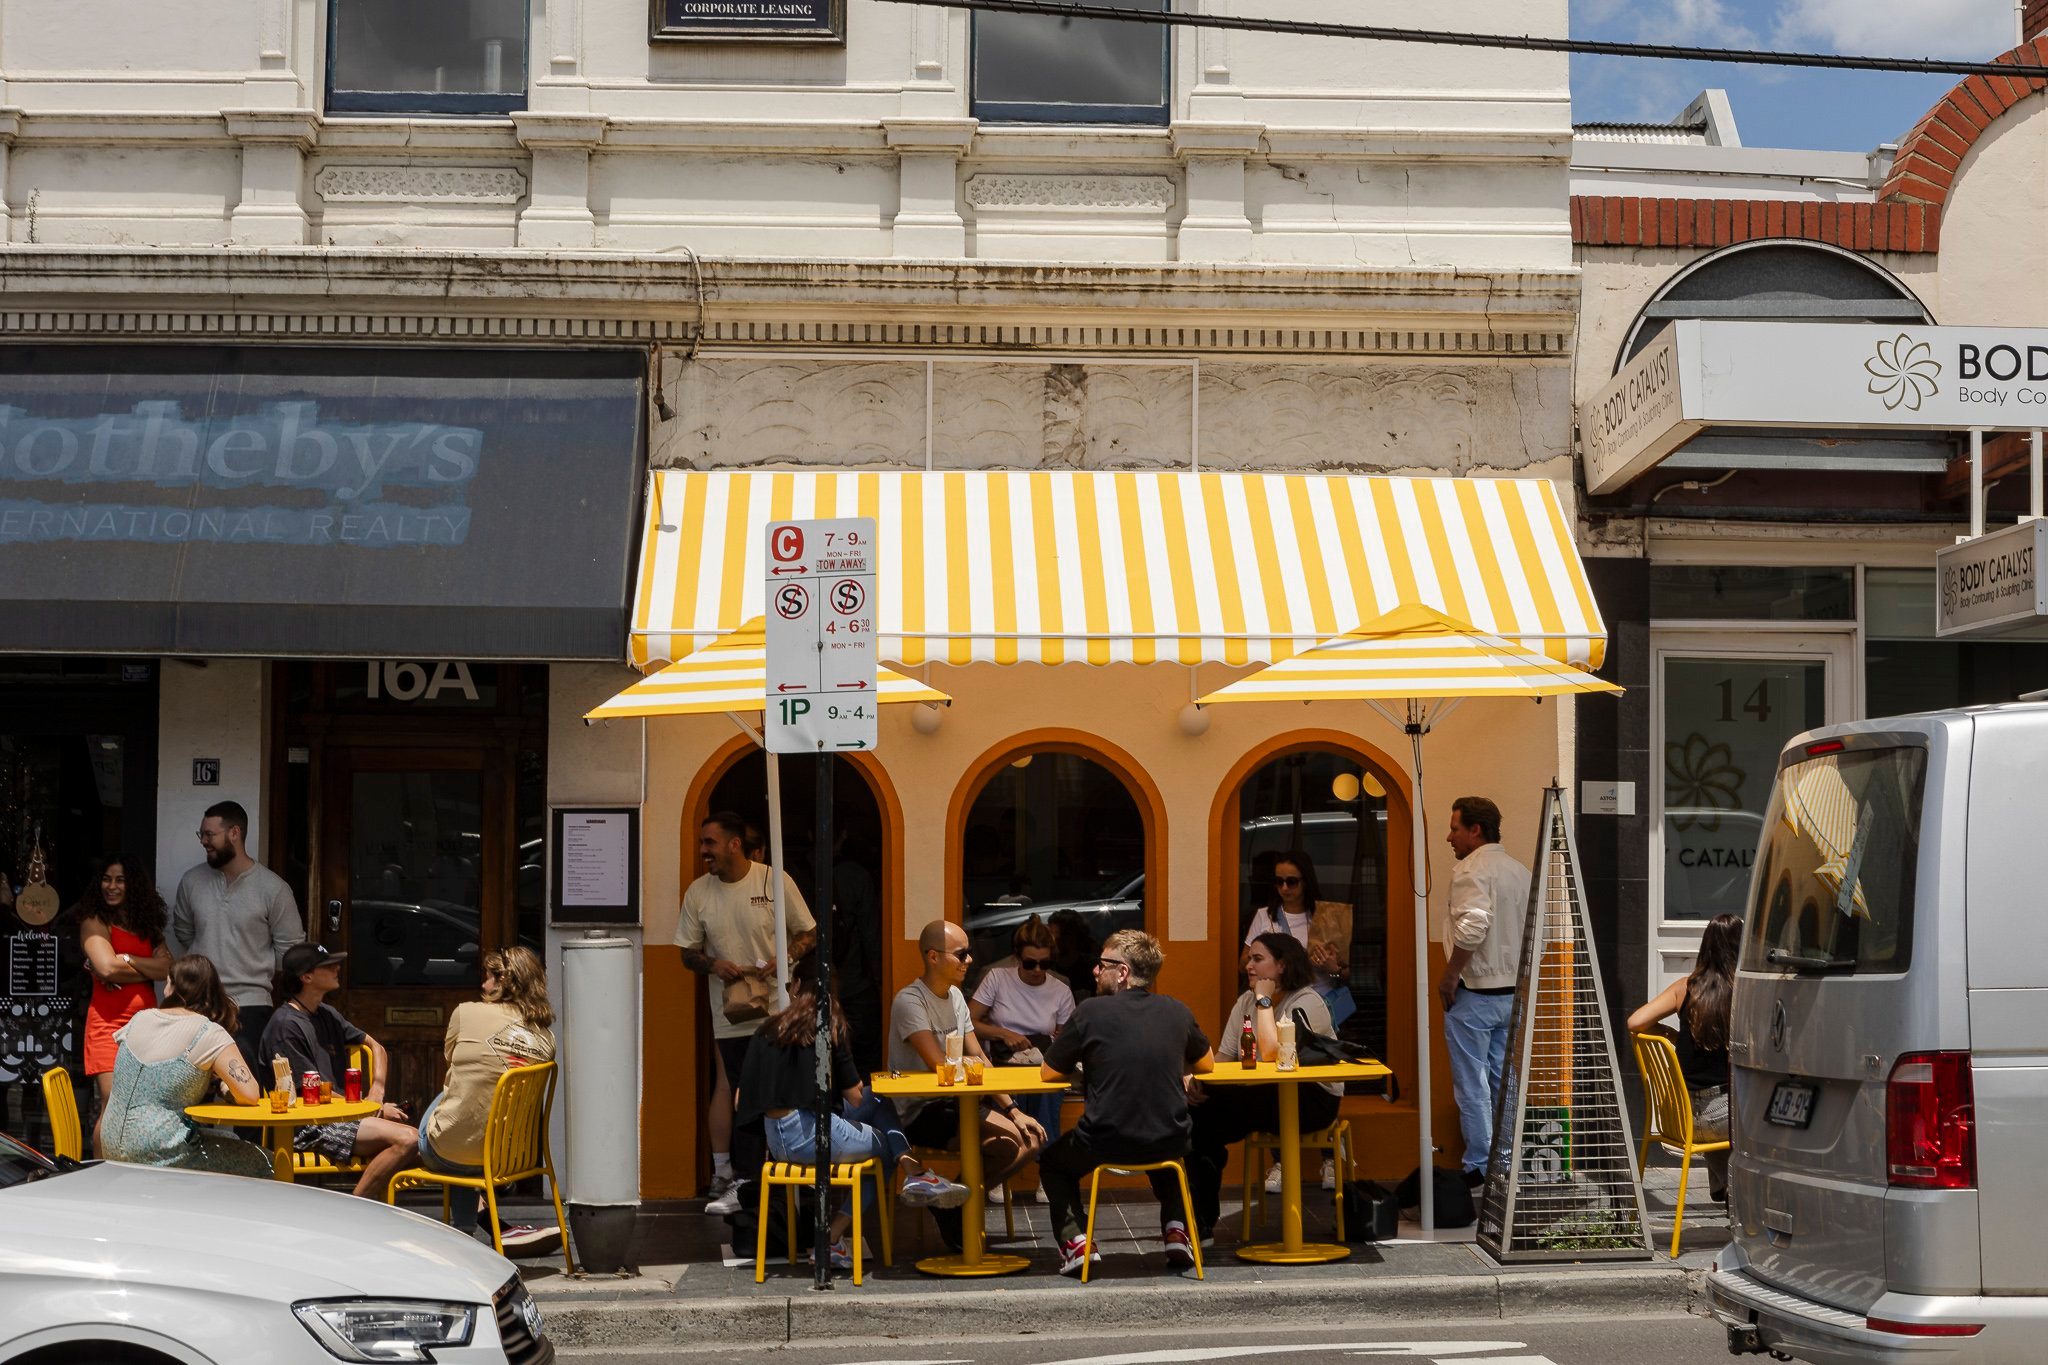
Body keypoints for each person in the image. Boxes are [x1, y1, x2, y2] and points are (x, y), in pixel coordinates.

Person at [738, 949, 967, 1272]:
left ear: (796, 985)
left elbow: (740, 1099)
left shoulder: (766, 1030)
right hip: (814, 1136)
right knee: (884, 1139)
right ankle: (835, 1235)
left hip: (777, 1140)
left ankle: (914, 1172)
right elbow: (855, 1097)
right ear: (833, 994)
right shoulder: (829, 1027)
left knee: (880, 1097)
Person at [1038, 929, 1214, 1278]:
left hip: (1105, 1139)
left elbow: (1047, 1072)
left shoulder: (1090, 1012)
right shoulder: (1176, 1011)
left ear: (1121, 972)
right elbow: (1206, 1063)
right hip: (1169, 1136)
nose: (1093, 971)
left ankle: (1076, 1244)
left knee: (1053, 1163)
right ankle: (1177, 1229)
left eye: (1101, 964)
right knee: (1165, 1151)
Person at [675, 810, 815, 1216]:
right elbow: (687, 953)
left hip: (780, 1012)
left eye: (710, 843)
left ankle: (786, 1176)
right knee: (742, 1095)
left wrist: (787, 956)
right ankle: (747, 1181)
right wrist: (714, 965)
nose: (704, 851)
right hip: (731, 1017)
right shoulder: (698, 893)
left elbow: (809, 931)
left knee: (784, 1092)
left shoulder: (774, 880)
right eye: (703, 843)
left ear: (734, 844)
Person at [888, 919, 1048, 1249]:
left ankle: (950, 1204)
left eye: (969, 953)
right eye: (961, 954)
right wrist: (970, 1070)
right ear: (933, 957)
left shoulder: (957, 997)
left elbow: (980, 1059)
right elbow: (939, 1064)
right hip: (921, 1110)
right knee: (1008, 1144)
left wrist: (1014, 1110)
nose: (969, 960)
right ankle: (954, 1209)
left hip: (960, 1101)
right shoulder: (910, 1001)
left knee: (1029, 1140)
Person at [1186, 932, 1342, 1242]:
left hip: (1312, 1099)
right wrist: (1200, 1080)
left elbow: (1274, 1057)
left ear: (1282, 965)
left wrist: (1264, 1000)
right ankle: (1200, 1222)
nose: (1249, 965)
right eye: (1249, 959)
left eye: (1258, 959)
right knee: (1197, 1119)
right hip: (1263, 1095)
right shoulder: (1245, 1001)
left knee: (1238, 1100)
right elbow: (1226, 1057)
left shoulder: (1307, 1002)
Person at [415, 946, 561, 1248]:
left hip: (449, 1151)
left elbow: (452, 1061)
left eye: (489, 977)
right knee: (468, 1107)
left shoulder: (465, 1012)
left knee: (451, 1101)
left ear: (504, 981)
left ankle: (467, 1234)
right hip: (508, 1160)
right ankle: (492, 1231)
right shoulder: (547, 1037)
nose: (483, 985)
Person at [258, 943, 418, 1201]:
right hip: (309, 1125)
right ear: (306, 977)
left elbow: (376, 1046)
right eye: (327, 966)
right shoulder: (286, 1026)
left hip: (343, 1115)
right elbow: (312, 1095)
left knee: (437, 1151)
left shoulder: (326, 1014)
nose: (337, 968)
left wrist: (376, 1093)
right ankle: (354, 1209)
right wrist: (369, 1109)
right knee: (407, 1140)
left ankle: (466, 1222)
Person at [98, 954, 270, 1178]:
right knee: (266, 1161)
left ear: (173, 988)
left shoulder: (140, 1018)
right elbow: (250, 1095)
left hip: (110, 1143)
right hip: (161, 1149)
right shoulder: (208, 1032)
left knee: (231, 1141)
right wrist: (224, 1088)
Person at [1437, 796, 1532, 1187]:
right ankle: (1504, 1161)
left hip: (1474, 992)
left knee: (1472, 1083)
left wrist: (1450, 974)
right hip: (1511, 993)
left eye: (1455, 828)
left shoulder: (1470, 870)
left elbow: (1473, 925)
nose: (1449, 837)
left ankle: (1479, 1163)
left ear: (1475, 830)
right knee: (1501, 1080)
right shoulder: (1519, 871)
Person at [169, 800, 304, 1072]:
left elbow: (290, 954)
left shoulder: (273, 889)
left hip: (250, 1008)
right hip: (199, 1006)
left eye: (210, 834)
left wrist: (250, 965)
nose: (204, 841)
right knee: (194, 1091)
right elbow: (184, 932)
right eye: (202, 834)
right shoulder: (192, 881)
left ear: (234, 833)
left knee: (246, 1091)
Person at [1627, 913, 1739, 1202]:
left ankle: (1725, 1187)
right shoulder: (1743, 992)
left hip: (1679, 1117)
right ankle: (1736, 1192)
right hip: (1721, 1120)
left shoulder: (1684, 988)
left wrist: (1669, 1033)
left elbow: (1635, 1021)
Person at [78, 856, 172, 1154]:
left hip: (145, 1029)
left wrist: (128, 960)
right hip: (108, 1025)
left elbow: (168, 968)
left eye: (120, 880)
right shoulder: (95, 922)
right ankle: (100, 1172)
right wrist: (145, 967)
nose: (112, 886)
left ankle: (128, 1168)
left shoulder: (147, 926)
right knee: (113, 1103)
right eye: (107, 879)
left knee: (139, 1105)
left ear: (133, 885)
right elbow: (106, 968)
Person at [970, 915, 1074, 1169]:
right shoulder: (997, 978)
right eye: (1030, 964)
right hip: (1002, 1061)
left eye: (1045, 964)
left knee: (1048, 1092)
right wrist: (1003, 1034)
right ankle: (1003, 1159)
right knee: (1002, 1087)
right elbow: (968, 1023)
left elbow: (1067, 1039)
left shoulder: (1060, 989)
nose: (1038, 970)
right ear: (1017, 958)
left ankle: (1048, 1168)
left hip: (1041, 1065)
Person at [1046, 908, 1099, 1006]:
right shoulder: (1043, 967)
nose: (1054, 940)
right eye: (1051, 934)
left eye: (1064, 934)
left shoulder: (1093, 969)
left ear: (1076, 937)